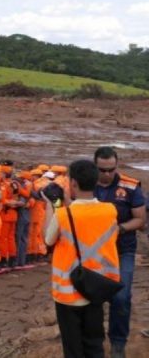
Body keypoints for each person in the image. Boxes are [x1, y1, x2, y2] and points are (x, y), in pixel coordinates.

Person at [44, 159, 120, 358]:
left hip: (68, 293)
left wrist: (48, 205)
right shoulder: (110, 210)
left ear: (73, 184)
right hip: (97, 288)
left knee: (73, 348)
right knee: (94, 344)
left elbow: (48, 239)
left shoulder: (62, 215)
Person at [93, 147, 146, 358]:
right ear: (94, 165)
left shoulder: (130, 186)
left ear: (117, 165)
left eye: (111, 169)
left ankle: (118, 343)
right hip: (94, 251)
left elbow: (141, 220)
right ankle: (94, 340)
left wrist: (120, 228)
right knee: (93, 296)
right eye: (102, 170)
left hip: (123, 249)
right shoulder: (86, 185)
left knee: (121, 297)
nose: (107, 174)